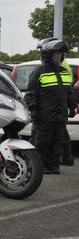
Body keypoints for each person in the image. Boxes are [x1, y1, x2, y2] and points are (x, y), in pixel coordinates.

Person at [24, 40, 76, 174]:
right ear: (48, 55)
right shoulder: (39, 72)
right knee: (42, 143)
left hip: (60, 115)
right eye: (57, 54)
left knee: (57, 142)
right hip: (44, 116)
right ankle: (41, 166)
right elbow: (30, 94)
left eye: (61, 54)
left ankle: (54, 165)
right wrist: (33, 110)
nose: (59, 56)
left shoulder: (64, 71)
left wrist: (72, 107)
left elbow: (68, 93)